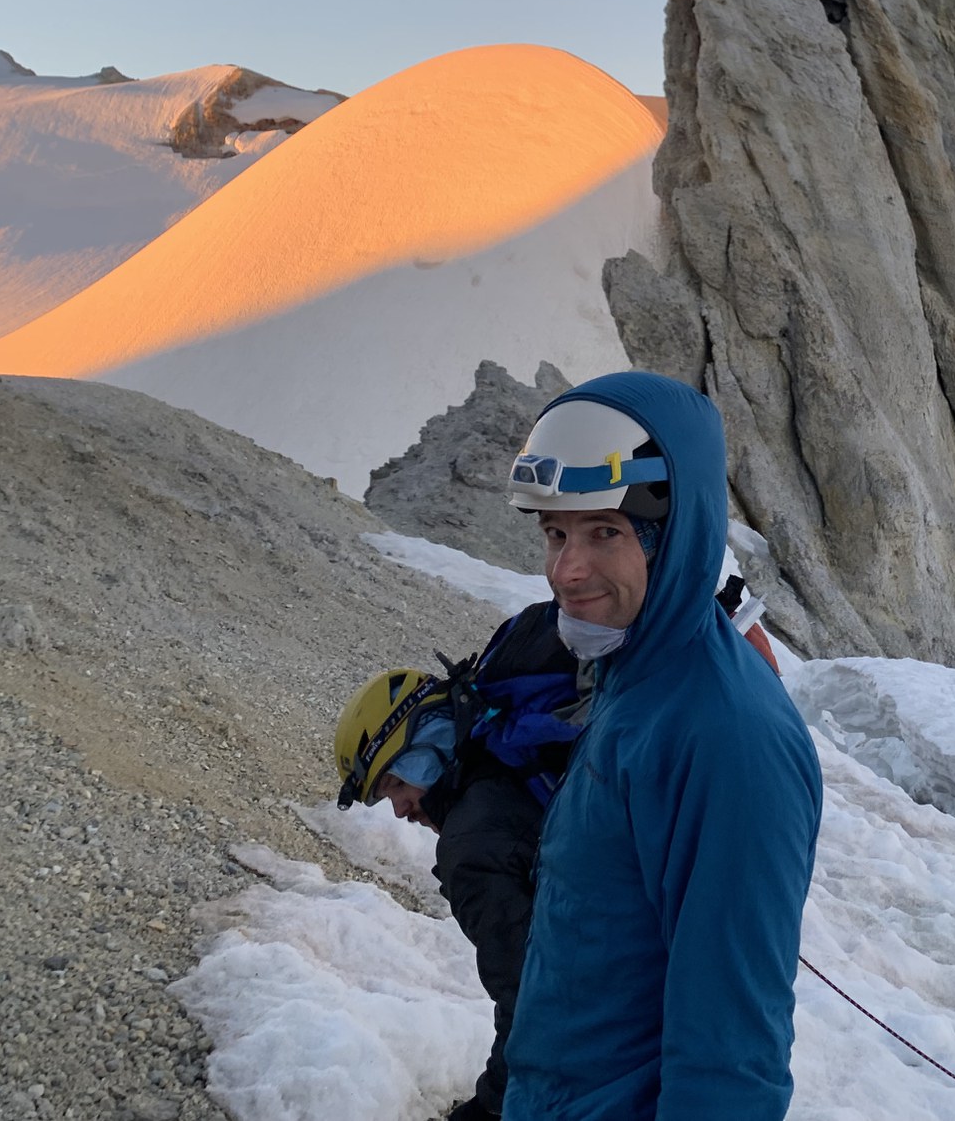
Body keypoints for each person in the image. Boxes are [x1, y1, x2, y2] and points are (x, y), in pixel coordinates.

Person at [500, 371, 823, 1121]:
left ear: (672, 535)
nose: (566, 571)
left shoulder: (727, 737)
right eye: (555, 533)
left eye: (604, 532)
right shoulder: (636, 673)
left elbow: (731, 1058)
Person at [333, 604, 583, 1121]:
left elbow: (537, 1003)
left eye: (395, 784)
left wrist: (489, 1110)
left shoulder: (471, 848)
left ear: (425, 739)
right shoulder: (510, 761)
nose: (400, 810)